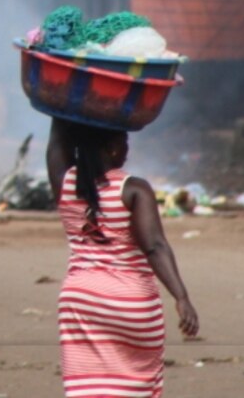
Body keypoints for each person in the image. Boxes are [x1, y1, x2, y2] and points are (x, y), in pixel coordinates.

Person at [47, 118, 199, 397]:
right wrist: (181, 297)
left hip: (80, 301)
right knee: (133, 387)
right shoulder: (134, 189)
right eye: (124, 141)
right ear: (112, 149)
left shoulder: (65, 183)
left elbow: (57, 141)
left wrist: (64, 103)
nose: (127, 148)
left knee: (86, 387)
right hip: (130, 303)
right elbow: (154, 246)